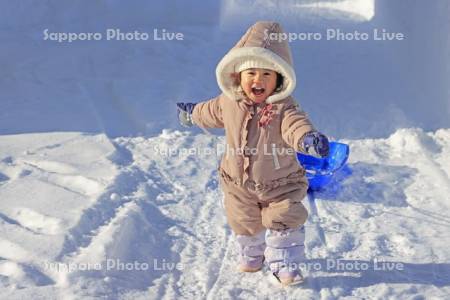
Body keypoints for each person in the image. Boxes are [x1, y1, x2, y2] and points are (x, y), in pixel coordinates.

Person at [176, 21, 329, 286]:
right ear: (238, 76)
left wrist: (307, 139)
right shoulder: (229, 101)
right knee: (243, 221)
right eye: (251, 74)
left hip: (280, 183)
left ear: (279, 79)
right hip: (238, 182)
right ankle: (253, 253)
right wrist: (192, 113)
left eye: (267, 74)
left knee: (283, 219)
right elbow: (209, 111)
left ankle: (284, 264)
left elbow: (296, 126)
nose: (258, 80)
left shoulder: (284, 108)